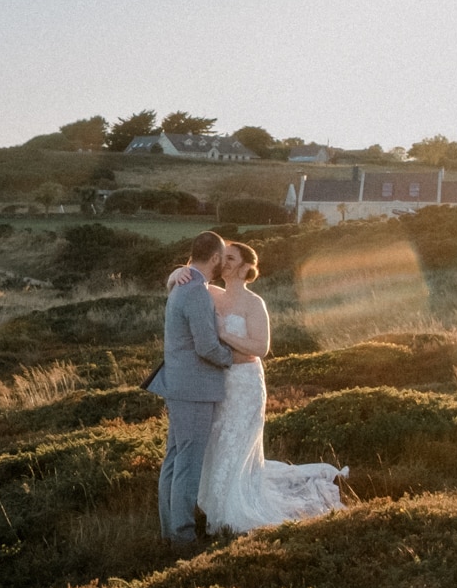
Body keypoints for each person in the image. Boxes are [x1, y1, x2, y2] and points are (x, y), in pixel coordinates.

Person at [193, 240, 347, 534]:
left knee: (237, 440)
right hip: (219, 381)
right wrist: (177, 275)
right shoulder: (212, 294)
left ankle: (233, 508)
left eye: (231, 258)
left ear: (245, 267)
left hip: (246, 382)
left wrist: (224, 333)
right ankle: (211, 503)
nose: (223, 262)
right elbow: (183, 277)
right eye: (222, 257)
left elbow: (261, 347)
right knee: (218, 438)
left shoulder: (254, 303)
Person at [148, 230, 234, 545]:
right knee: (188, 461)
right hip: (195, 389)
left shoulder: (181, 287)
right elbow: (207, 346)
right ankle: (183, 537)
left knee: (175, 458)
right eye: (223, 257)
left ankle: (170, 531)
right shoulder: (194, 291)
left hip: (180, 386)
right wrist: (232, 360)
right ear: (214, 258)